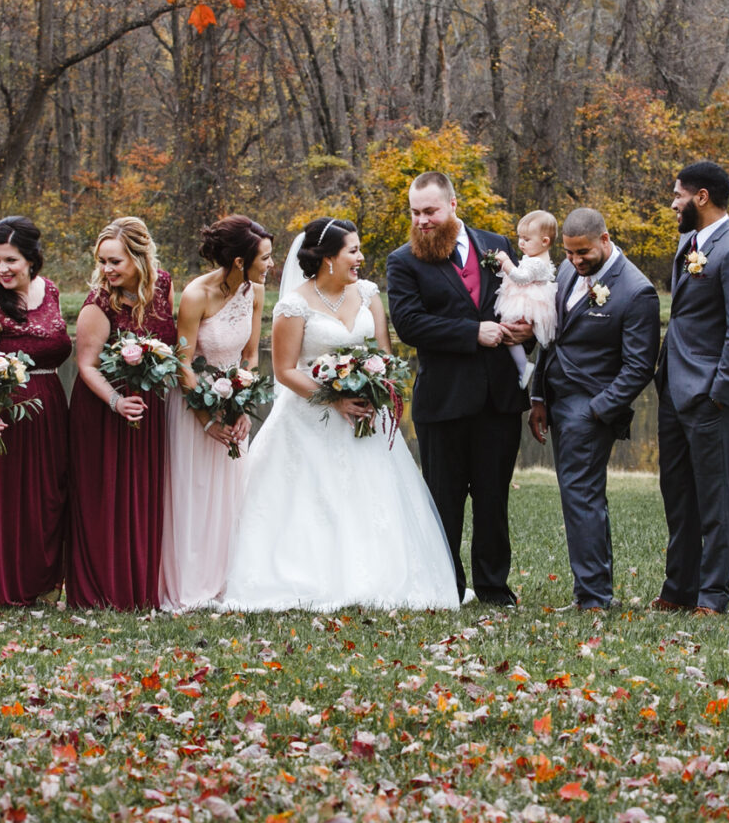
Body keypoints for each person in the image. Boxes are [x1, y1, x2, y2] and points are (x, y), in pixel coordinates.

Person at [222, 218, 459, 611]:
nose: (361, 258)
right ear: (328, 258)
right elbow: (284, 371)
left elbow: (384, 353)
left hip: (368, 415)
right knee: (316, 500)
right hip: (310, 420)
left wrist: (375, 385)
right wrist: (333, 398)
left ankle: (383, 574)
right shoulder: (293, 305)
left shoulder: (367, 294)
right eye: (353, 250)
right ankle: (312, 575)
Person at [387, 172, 529, 606]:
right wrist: (473, 332)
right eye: (414, 213)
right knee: (444, 502)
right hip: (443, 401)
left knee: (492, 499)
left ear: (453, 205)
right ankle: (446, 587)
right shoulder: (404, 260)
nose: (421, 221)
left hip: (498, 399)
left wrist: (527, 329)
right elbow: (409, 324)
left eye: (429, 211)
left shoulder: (498, 245)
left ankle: (493, 588)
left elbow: (523, 297)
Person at [527, 208, 659, 610]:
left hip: (592, 406)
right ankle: (595, 590)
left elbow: (640, 366)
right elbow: (551, 340)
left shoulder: (637, 291)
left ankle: (594, 597)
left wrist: (598, 410)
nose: (575, 261)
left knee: (581, 496)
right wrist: (537, 396)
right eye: (568, 253)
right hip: (556, 399)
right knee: (579, 496)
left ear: (605, 239)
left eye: (582, 252)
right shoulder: (568, 273)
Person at [654, 161, 729, 615]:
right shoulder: (689, 244)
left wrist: (721, 391)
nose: (673, 203)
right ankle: (679, 589)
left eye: (678, 195)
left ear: (701, 197)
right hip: (674, 391)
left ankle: (713, 595)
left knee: (714, 501)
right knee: (677, 494)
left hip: (711, 397)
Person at [0, 216, 72, 605]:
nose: (1, 269)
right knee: (10, 500)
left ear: (32, 260)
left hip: (51, 407)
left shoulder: (50, 291)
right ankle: (5, 585)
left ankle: (43, 584)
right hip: (7, 415)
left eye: (11, 260)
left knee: (47, 497)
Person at [161, 214, 272, 610]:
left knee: (231, 494)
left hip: (233, 404)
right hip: (195, 407)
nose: (271, 264)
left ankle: (228, 579)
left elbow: (250, 356)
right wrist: (207, 419)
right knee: (197, 492)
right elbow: (182, 362)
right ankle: (191, 583)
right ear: (240, 260)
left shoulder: (255, 292)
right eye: (265, 257)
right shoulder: (196, 295)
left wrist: (244, 406)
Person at [69, 217, 178, 609]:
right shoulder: (98, 303)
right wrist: (117, 402)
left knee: (142, 496)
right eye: (102, 261)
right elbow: (86, 365)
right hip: (104, 409)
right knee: (107, 498)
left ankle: (141, 588)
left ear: (139, 257)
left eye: (115, 262)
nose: (106, 270)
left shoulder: (162, 285)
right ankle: (102, 590)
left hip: (148, 407)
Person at [493, 209, 559, 387]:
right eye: (520, 237)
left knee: (508, 330)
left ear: (545, 241)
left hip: (526, 302)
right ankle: (522, 367)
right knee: (509, 332)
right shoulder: (536, 257)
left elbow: (521, 277)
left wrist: (506, 262)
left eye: (527, 239)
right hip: (528, 299)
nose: (521, 243)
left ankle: (523, 367)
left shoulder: (537, 262)